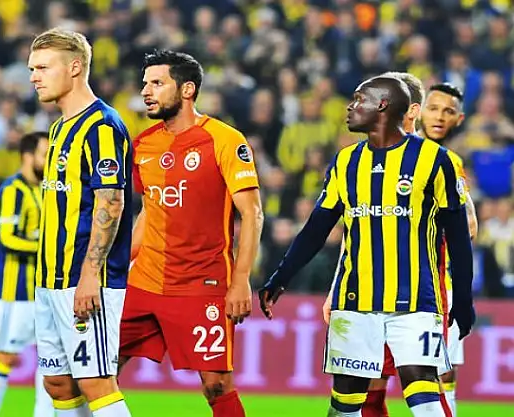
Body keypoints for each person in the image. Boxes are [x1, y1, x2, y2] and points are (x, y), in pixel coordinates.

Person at [260, 76, 476, 417]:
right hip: (355, 302)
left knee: (425, 396)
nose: (350, 107)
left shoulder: (436, 160)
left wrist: (462, 298)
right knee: (345, 405)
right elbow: (316, 229)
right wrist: (281, 276)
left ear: (382, 106)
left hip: (417, 303)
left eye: (359, 100)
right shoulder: (346, 161)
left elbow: (460, 237)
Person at [119, 50, 264, 417]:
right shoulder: (143, 145)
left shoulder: (224, 140)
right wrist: (117, 266)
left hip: (202, 284)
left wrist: (241, 280)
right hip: (144, 282)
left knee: (216, 386)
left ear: (187, 89)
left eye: (157, 83)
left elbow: (252, 213)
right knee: (96, 369)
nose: (145, 91)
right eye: (145, 84)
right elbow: (149, 212)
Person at [28, 28, 133, 417]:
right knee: (58, 382)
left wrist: (90, 276)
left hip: (85, 280)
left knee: (96, 382)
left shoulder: (102, 126)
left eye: (43, 67)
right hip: (49, 279)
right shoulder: (58, 128)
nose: (34, 77)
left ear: (75, 67)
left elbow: (111, 202)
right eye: (32, 69)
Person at [0, 132, 54, 417]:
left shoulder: (46, 190)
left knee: (52, 360)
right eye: (45, 155)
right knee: (4, 357)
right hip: (13, 291)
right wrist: (48, 248)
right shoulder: (12, 190)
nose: (49, 161)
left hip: (44, 292)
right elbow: (7, 238)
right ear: (27, 156)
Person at [420, 83, 477, 417]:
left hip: (437, 282)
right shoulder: (393, 152)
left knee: (443, 370)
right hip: (387, 281)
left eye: (448, 111)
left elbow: (469, 226)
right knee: (370, 378)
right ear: (418, 110)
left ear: (459, 119)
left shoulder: (451, 162)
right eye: (433, 108)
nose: (439, 117)